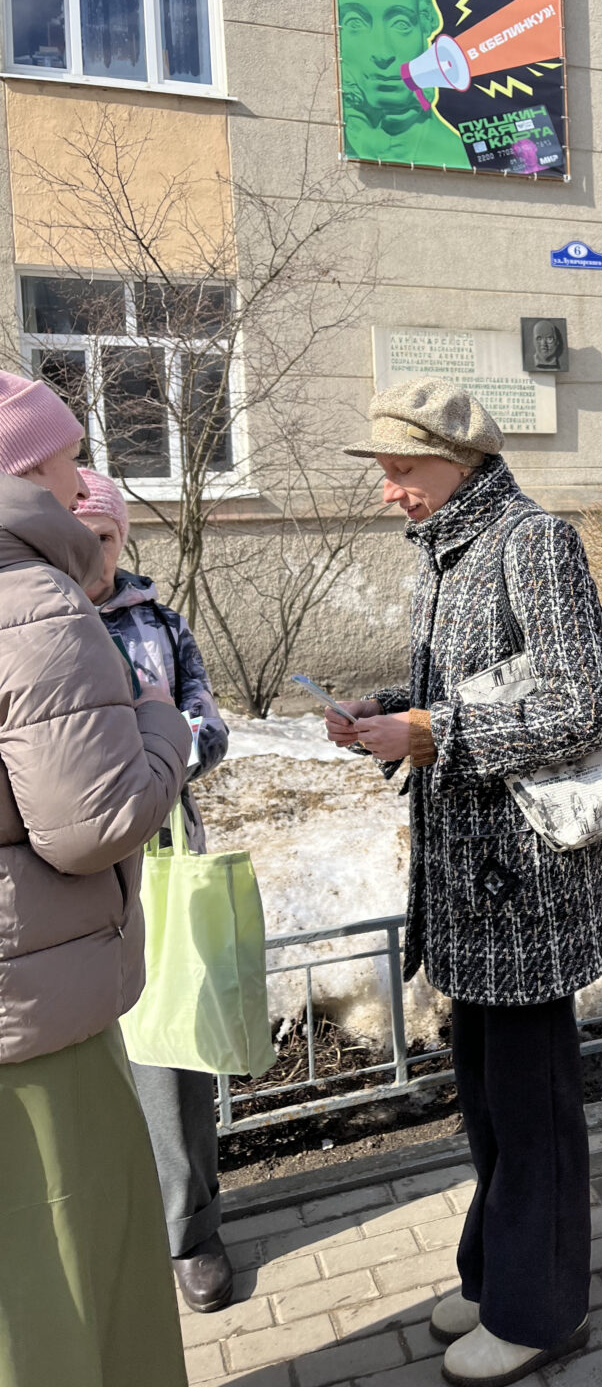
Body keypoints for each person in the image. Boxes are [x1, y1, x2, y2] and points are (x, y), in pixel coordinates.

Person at [326, 379, 602, 1387]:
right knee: (491, 1104)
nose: (388, 489)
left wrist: (430, 732)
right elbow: (473, 688)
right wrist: (386, 712)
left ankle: (543, 1311)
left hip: (527, 888)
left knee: (534, 1112)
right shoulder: (447, 552)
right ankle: (496, 1272)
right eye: (384, 470)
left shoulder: (534, 542)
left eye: (401, 468)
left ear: (458, 462)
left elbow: (581, 706)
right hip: (469, 886)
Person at [0, 373, 192, 1386]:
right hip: (37, 1015)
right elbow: (95, 822)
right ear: (28, 467)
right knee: (77, 1283)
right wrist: (159, 725)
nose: (83, 485)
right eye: (71, 458)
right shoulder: (32, 599)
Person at [73, 468, 234, 1314]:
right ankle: (100, 1234)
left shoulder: (160, 624)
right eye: (73, 536)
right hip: (62, 878)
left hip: (163, 860)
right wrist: (156, 734)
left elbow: (210, 726)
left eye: (101, 537)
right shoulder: (31, 621)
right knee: (80, 1061)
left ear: (121, 537)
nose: (88, 554)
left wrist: (161, 747)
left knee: (171, 1052)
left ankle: (189, 1233)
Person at [334, 0, 471, 168]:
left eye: (401, 23)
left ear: (425, 29)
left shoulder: (457, 156)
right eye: (354, 22)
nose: (383, 53)